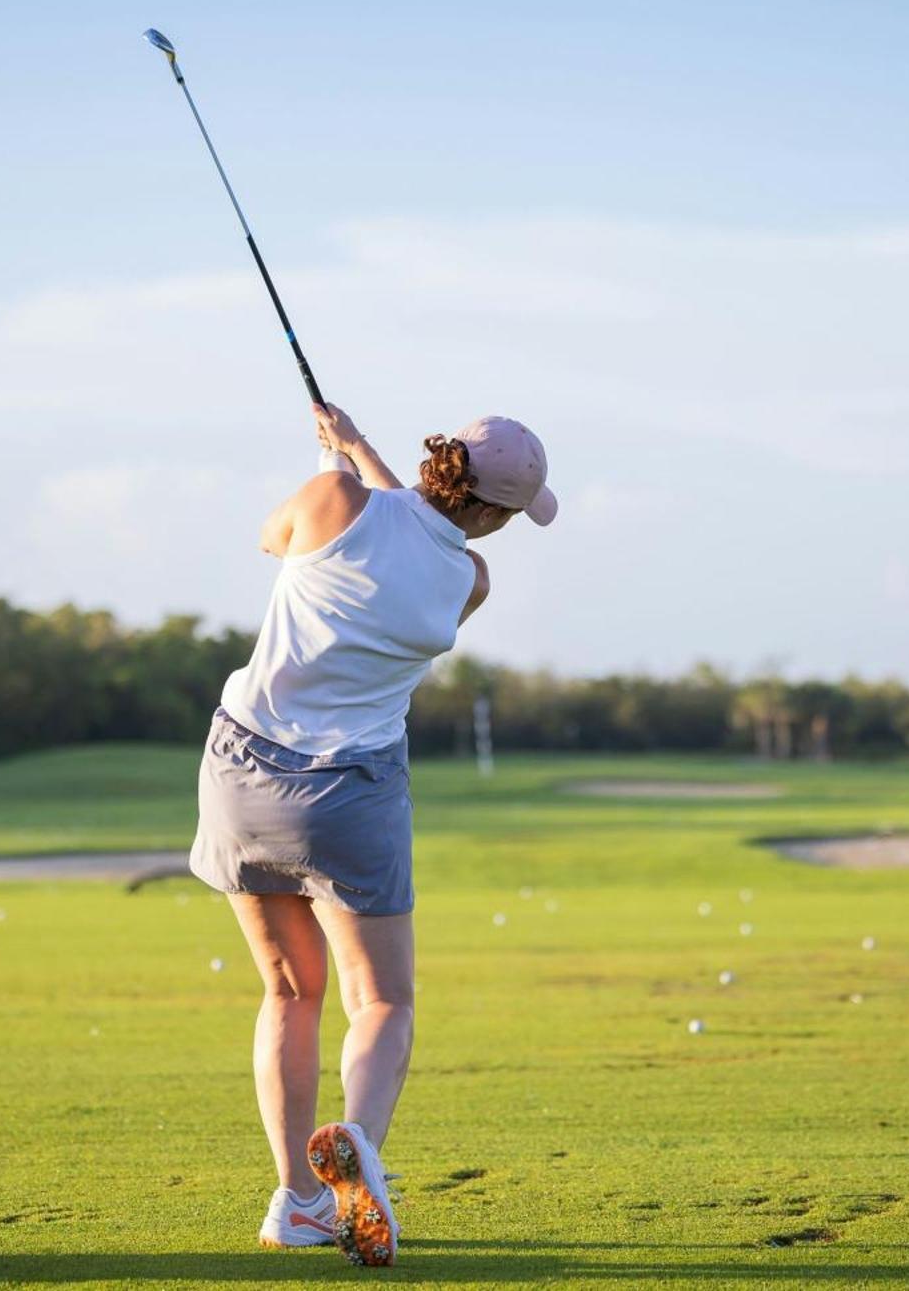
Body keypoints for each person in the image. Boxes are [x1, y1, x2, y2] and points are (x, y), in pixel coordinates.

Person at [189, 402, 556, 1267]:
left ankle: (299, 1199)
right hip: (351, 794)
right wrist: (360, 456)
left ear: (444, 460)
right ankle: (355, 1137)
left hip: (243, 770)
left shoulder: (329, 500)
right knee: (381, 1000)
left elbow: (274, 540)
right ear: (497, 516)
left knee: (289, 993)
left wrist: (343, 468)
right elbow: (421, 544)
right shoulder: (468, 582)